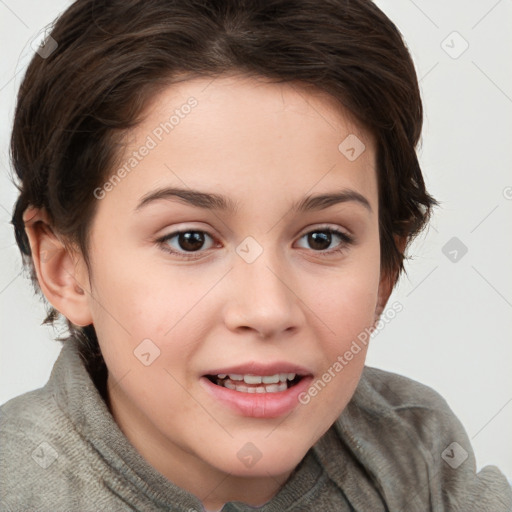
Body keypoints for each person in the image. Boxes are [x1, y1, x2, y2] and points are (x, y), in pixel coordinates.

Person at [1, 0, 511, 510]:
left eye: (322, 238)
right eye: (190, 240)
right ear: (64, 268)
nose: (268, 310)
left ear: (385, 270)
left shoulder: (420, 457)